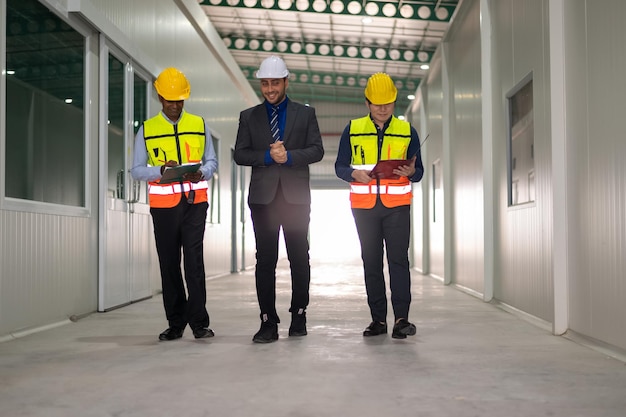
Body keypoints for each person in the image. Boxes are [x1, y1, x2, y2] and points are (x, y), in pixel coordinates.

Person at [234, 55, 324, 343]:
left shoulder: (305, 114)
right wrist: (266, 157)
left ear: (286, 81)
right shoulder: (249, 117)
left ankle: (299, 314)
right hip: (263, 200)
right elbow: (240, 154)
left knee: (299, 258)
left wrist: (290, 157)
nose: (270, 89)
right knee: (265, 260)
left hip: (296, 199)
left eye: (275, 83)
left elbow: (317, 150)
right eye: (265, 84)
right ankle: (267, 322)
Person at [334, 72, 424, 339]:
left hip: (397, 207)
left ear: (394, 102)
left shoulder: (407, 131)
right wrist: (353, 174)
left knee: (398, 261)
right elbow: (339, 166)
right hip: (364, 207)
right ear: (367, 102)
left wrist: (409, 173)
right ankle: (378, 321)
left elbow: (418, 172)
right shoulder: (352, 129)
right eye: (377, 103)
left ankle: (401, 319)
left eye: (388, 103)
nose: (383, 108)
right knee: (371, 262)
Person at [130, 67, 218, 341]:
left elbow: (212, 162)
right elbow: (135, 170)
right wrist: (159, 171)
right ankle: (176, 323)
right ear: (160, 97)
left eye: (179, 100)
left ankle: (199, 324)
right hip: (164, 208)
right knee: (169, 265)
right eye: (170, 100)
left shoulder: (199, 124)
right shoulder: (147, 129)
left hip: (195, 204)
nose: (175, 105)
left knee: (194, 264)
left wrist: (201, 172)